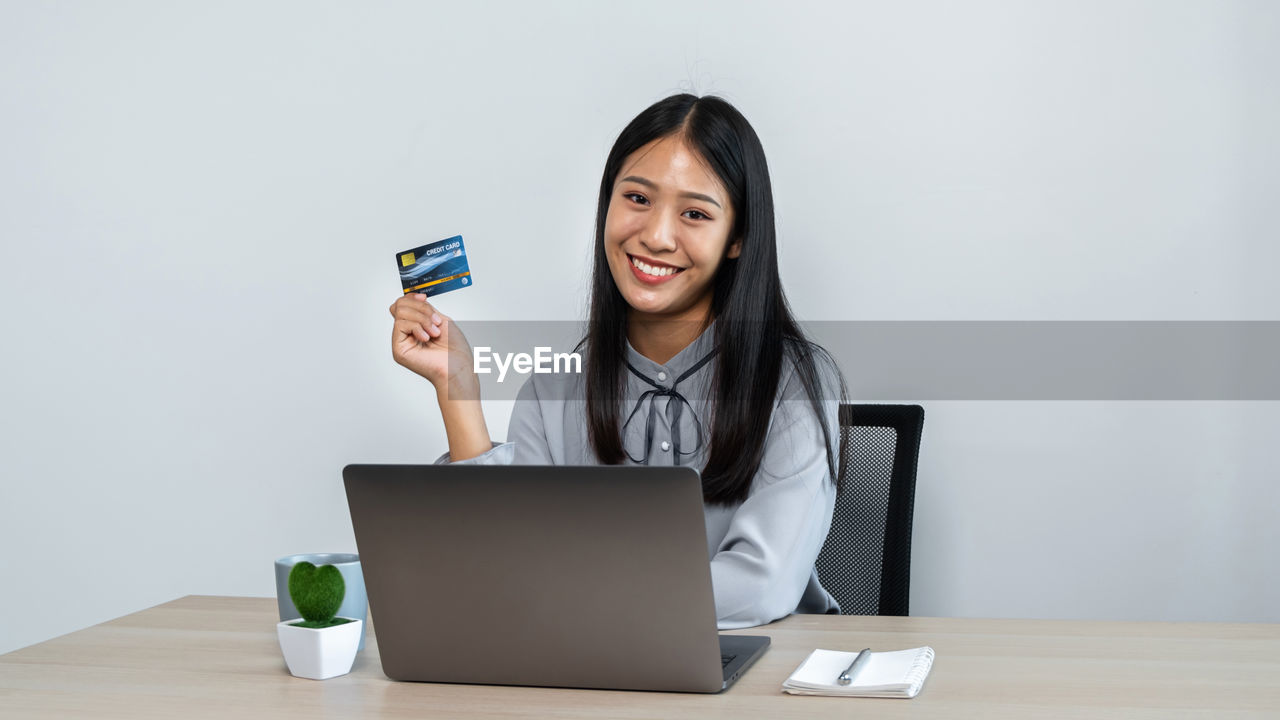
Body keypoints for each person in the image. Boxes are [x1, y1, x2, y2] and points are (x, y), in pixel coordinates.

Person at [387, 93, 848, 628]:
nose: (655, 236)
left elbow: (760, 587)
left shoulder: (793, 383)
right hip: (589, 681)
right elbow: (499, 565)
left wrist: (566, 593)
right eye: (637, 198)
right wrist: (456, 387)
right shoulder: (555, 389)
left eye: (695, 213)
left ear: (737, 238)